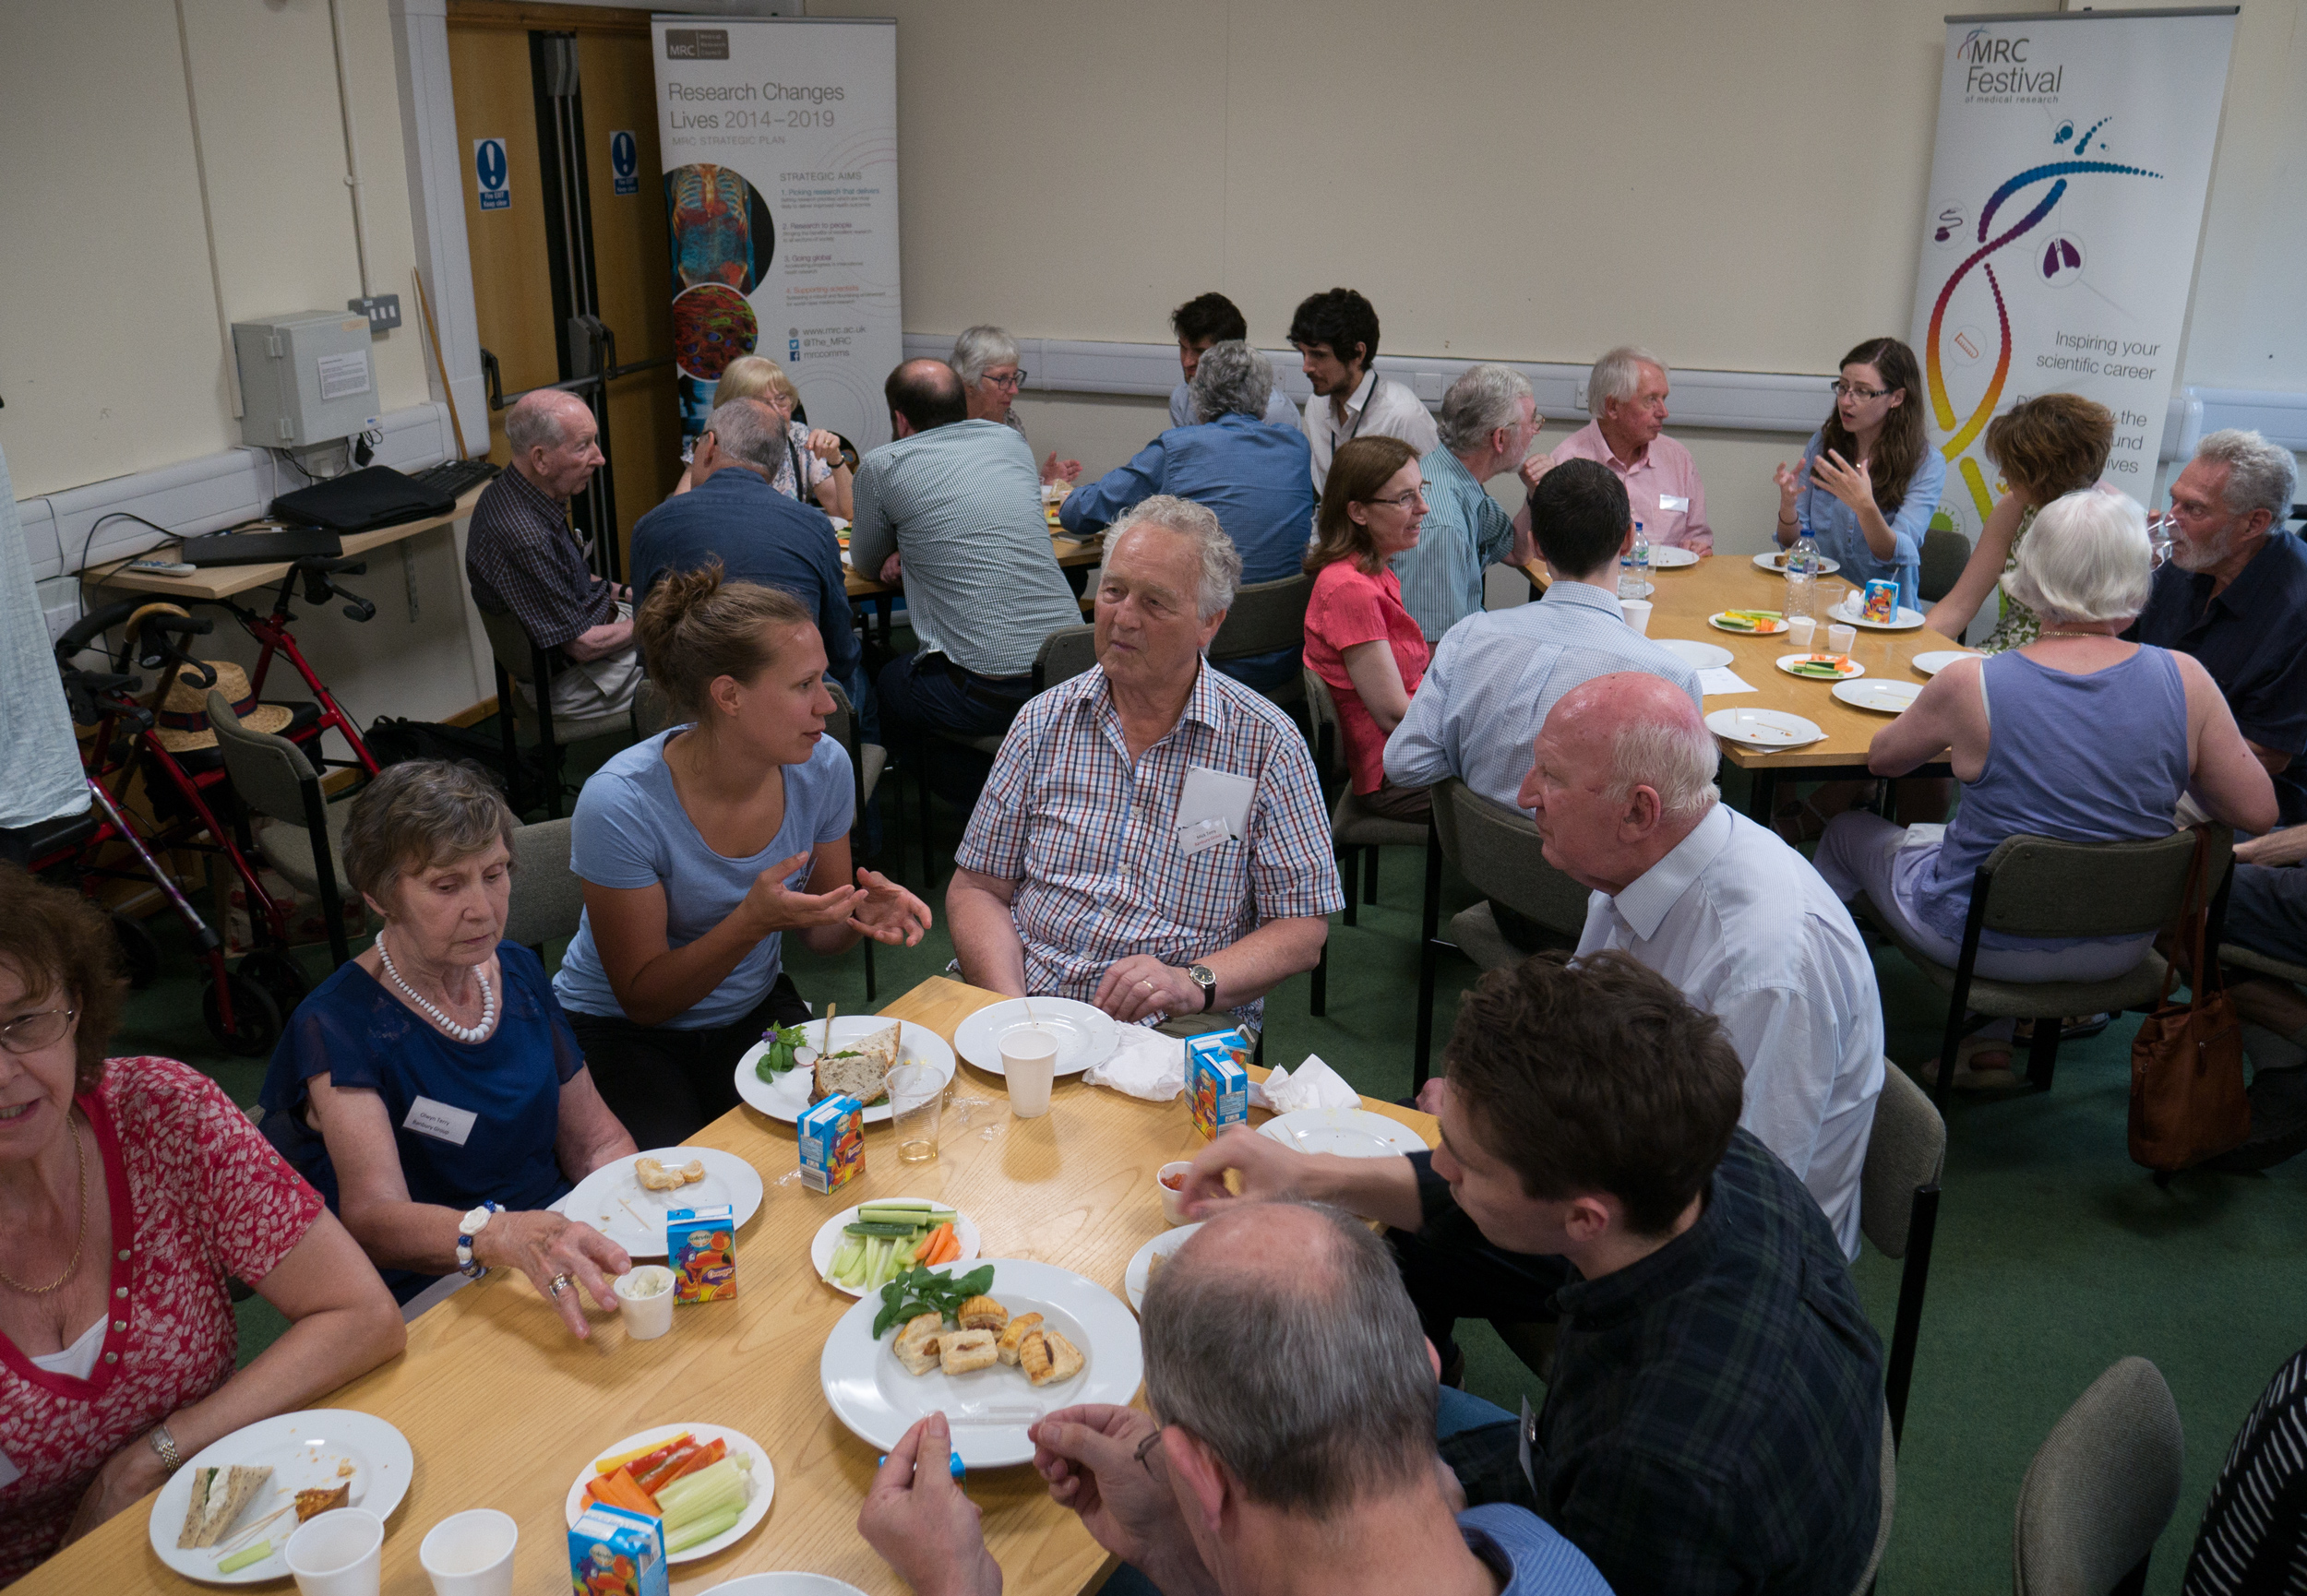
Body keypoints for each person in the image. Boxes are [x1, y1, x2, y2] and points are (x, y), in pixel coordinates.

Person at [1178, 953, 1885, 1596]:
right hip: (1589, 1474)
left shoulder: (1658, 1467)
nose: (1441, 1166)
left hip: (1622, 1535)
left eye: (1465, 1161)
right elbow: (1462, 1198)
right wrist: (1305, 1176)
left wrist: (1421, 1511)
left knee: (1233, 1518)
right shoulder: (1700, 1157)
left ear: (1583, 1220)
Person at [859, 1200, 1614, 1596]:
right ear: (1424, 1368)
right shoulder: (1522, 1539)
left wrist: (957, 1587)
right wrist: (1171, 1548)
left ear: (1201, 1474)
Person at [0, 864, 402, 1581]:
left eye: (23, 1021)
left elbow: (362, 1314)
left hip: (228, 1538)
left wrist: (148, 1458)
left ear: (76, 1012)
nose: (3, 1072)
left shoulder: (161, 1112)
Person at [1813, 489, 2277, 1087]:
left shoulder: (1970, 683)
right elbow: (2257, 811)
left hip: (1979, 940)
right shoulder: (2186, 681)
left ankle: (1825, 1023)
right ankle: (1987, 1043)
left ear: (2027, 576)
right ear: (2139, 582)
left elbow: (1883, 764)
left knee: (1852, 830)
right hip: (2123, 942)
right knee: (2020, 855)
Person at [551, 567, 931, 1145]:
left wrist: (855, 915)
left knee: (834, 1146)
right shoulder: (620, 803)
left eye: (824, 679)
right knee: (679, 1187)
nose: (828, 706)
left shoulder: (822, 766)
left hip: (750, 1015)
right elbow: (644, 998)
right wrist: (753, 922)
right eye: (803, 685)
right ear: (729, 695)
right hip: (620, 1031)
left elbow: (821, 938)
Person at [257, 760, 640, 1323]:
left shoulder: (515, 968)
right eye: (446, 885)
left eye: (495, 873)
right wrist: (500, 1233)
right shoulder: (339, 1025)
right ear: (381, 896)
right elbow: (376, 1216)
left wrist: (633, 1226)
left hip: (556, 1242)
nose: (483, 909)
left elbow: (595, 1143)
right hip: (443, 1286)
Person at [1516, 673, 1883, 1255]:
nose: (1525, 794)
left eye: (1552, 777)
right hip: (1625, 1156)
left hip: (1720, 1254)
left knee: (1422, 1220)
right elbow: (1574, 1039)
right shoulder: (1631, 867)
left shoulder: (1764, 968)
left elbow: (1736, 1197)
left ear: (1638, 812)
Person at [946, 497, 1342, 1037]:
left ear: (1209, 623)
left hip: (1171, 1018)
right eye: (1113, 591)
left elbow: (1302, 930)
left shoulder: (1264, 744)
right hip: (1028, 990)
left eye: (1155, 603)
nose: (1123, 618)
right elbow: (976, 888)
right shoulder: (1043, 721)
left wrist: (1191, 981)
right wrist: (1013, 1009)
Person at [1386, 459, 1701, 815]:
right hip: (1587, 867)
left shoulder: (1467, 637)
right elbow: (1677, 816)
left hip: (1473, 857)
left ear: (1536, 546)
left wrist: (1477, 765)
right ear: (1629, 539)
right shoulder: (1669, 679)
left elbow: (1404, 763)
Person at [851, 360, 1089, 804]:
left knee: (888, 679)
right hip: (1071, 671)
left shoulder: (883, 465)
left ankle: (977, 804)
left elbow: (865, 559)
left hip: (988, 691)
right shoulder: (1010, 442)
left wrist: (906, 542)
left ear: (900, 419)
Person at [1060, 339, 1317, 692]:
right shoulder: (1296, 447)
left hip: (1198, 663)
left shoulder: (1180, 447)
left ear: (1199, 396)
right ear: (1264, 398)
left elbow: (1079, 514)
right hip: (1284, 660)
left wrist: (1063, 492)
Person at [628, 396, 867, 736]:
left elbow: (647, 650)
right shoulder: (811, 526)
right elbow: (838, 648)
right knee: (860, 683)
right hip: (789, 720)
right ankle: (850, 782)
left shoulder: (651, 527)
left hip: (688, 718)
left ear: (708, 446)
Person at [2130, 427, 2307, 826]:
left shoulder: (2296, 614)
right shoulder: (2185, 557)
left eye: (2194, 509)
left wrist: (2126, 752)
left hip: (2242, 796)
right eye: (2173, 500)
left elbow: (2268, 754)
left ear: (2253, 524)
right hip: (2156, 757)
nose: (2171, 520)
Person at [464, 388, 640, 721]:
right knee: (696, 660)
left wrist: (630, 593)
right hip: (572, 681)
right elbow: (584, 645)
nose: (599, 458)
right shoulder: (524, 535)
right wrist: (656, 618)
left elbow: (569, 573)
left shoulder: (513, 492)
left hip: (584, 638)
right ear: (540, 459)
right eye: (582, 446)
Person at [1303, 438, 1435, 822]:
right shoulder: (1350, 590)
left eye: (1420, 492)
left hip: (1403, 750)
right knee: (1516, 783)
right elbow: (1393, 715)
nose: (1423, 508)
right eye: (1405, 499)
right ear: (1358, 512)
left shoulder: (1371, 569)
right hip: (1391, 771)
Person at [1923, 392, 2113, 649]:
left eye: (2013, 465)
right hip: (2004, 652)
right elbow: (1960, 604)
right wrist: (1910, 650)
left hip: (2067, 664)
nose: (2002, 473)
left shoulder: (2110, 521)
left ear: (2045, 470)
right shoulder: (2015, 507)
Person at [1772, 337, 1946, 613]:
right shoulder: (1822, 444)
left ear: (1897, 398)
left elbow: (1896, 552)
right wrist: (1787, 507)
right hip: (1817, 602)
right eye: (1842, 388)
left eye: (1862, 392)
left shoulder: (1927, 463)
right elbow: (1793, 544)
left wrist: (1866, 507)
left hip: (1883, 614)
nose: (1846, 400)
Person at [1393, 364, 1545, 643]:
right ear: (1500, 438)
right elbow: (1433, 654)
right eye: (1532, 422)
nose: (1535, 431)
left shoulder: (1456, 479)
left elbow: (1518, 553)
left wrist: (1534, 493)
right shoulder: (1442, 525)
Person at [1548, 347, 1712, 554]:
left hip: (1671, 584)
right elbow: (1551, 557)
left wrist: (1698, 547)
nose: (1664, 412)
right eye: (1651, 400)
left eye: (1664, 399)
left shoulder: (1678, 459)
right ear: (1613, 406)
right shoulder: (1566, 463)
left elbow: (1698, 537)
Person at [1289, 287, 1439, 490]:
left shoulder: (1404, 416)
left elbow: (1435, 502)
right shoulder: (1317, 405)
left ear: (1358, 354)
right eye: (1303, 354)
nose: (1306, 367)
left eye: (1319, 355)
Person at [671, 354, 853, 519]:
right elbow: (679, 515)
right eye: (763, 404)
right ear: (734, 409)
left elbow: (847, 512)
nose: (777, 413)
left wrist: (835, 458)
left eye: (781, 398)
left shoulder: (800, 438)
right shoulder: (713, 444)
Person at [950, 324, 1079, 484]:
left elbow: (1011, 488)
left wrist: (1043, 483)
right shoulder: (946, 427)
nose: (1014, 390)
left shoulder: (1010, 420)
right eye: (1002, 379)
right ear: (968, 382)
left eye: (1014, 377)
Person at [1165, 292, 1300, 431]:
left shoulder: (1272, 409)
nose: (1187, 362)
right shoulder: (1181, 398)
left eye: (1200, 352)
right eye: (1183, 348)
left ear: (1231, 355)